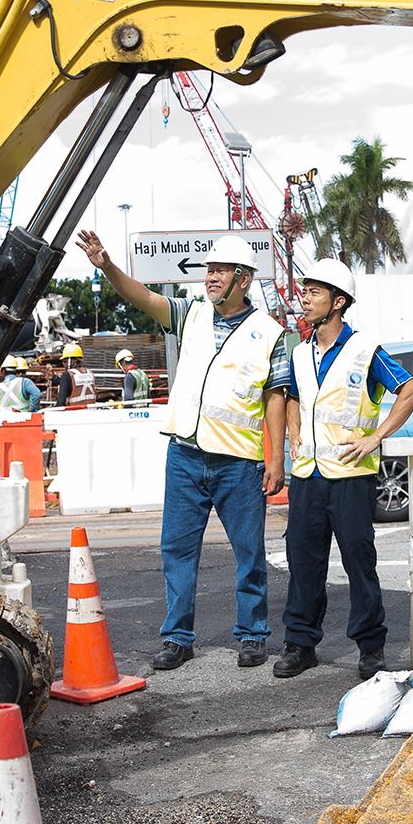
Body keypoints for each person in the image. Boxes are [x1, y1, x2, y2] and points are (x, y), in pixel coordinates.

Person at [75, 228, 289, 670]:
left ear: (242, 279)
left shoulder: (271, 333)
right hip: (186, 456)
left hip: (239, 464)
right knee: (176, 551)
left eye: (218, 271)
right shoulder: (190, 315)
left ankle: (252, 634)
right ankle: (177, 637)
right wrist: (108, 266)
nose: (209, 278)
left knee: (249, 555)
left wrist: (276, 458)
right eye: (207, 271)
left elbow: (275, 397)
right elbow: (142, 297)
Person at [276, 259, 413, 680]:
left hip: (351, 476)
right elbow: (293, 396)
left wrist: (375, 438)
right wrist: (294, 431)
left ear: (338, 302)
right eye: (305, 292)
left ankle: (370, 648)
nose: (305, 299)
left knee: (359, 562)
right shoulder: (300, 352)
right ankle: (300, 644)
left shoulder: (365, 350)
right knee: (303, 561)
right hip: (307, 476)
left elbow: (409, 392)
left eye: (314, 293)